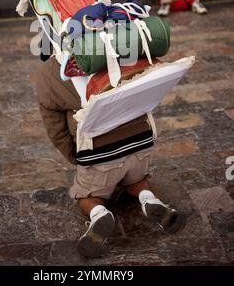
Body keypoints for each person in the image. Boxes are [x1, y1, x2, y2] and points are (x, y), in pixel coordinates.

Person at [36, 56, 186, 258]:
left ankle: (99, 214)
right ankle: (148, 198)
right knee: (137, 179)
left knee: (87, 197)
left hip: (100, 155)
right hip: (140, 142)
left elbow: (56, 128)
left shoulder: (49, 72)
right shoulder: (121, 46)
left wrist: (76, 156)